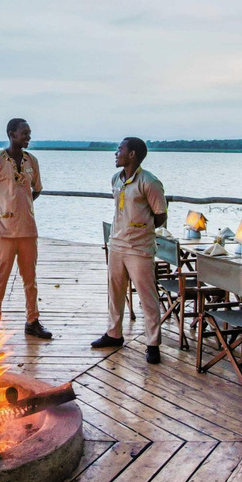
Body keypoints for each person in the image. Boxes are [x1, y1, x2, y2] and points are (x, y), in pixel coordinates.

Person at [91, 137, 167, 363]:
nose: (116, 153)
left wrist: (140, 229)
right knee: (114, 291)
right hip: (117, 243)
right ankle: (114, 333)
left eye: (120, 149)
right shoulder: (116, 178)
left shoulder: (149, 182)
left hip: (139, 247)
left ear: (132, 154)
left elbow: (160, 215)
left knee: (147, 297)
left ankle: (153, 343)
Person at [0, 118, 51, 339]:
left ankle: (33, 321)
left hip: (28, 229)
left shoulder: (32, 161)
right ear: (11, 134)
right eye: (24, 133)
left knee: (31, 279)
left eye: (29, 133)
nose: (28, 137)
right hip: (5, 232)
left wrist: (23, 206)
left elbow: (36, 190)